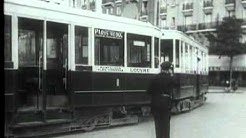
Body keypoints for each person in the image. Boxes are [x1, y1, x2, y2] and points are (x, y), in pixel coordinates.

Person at [147, 61, 176, 138]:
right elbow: (176, 86)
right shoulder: (171, 79)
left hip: (156, 104)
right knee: (166, 125)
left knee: (158, 125)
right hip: (166, 104)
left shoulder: (154, 78)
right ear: (169, 69)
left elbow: (149, 91)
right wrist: (172, 74)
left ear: (161, 68)